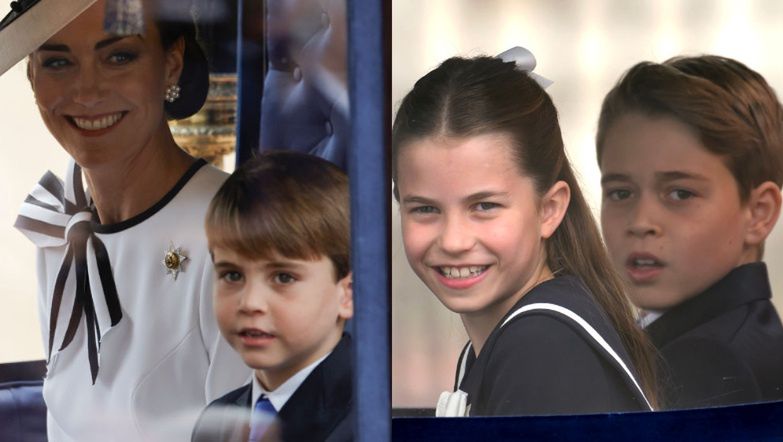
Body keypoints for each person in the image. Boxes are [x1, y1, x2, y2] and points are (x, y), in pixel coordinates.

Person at [9, 0, 247, 439]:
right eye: (58, 62)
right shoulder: (58, 219)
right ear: (31, 74)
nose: (86, 91)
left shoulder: (238, 235)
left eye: (118, 57)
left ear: (171, 65)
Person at [392, 54, 658, 416]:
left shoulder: (542, 347)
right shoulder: (512, 340)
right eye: (425, 209)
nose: (453, 241)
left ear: (549, 209)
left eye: (484, 206)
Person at [597, 55, 783, 409]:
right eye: (621, 193)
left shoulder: (703, 361)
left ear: (759, 213)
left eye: (681, 193)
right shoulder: (739, 334)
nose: (640, 221)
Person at [191, 151, 354, 441]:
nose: (250, 303)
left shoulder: (369, 421)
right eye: (232, 275)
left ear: (347, 293)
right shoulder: (216, 421)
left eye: (283, 277)